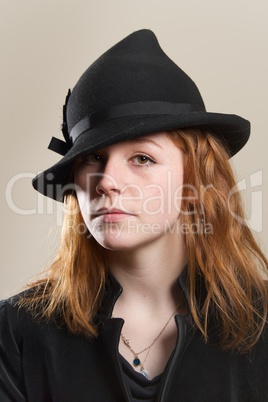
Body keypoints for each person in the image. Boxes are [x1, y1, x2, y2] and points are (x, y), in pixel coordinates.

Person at [0, 29, 267, 402]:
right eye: (93, 158)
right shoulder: (15, 333)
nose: (107, 181)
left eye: (142, 158)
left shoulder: (261, 327)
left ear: (197, 178)